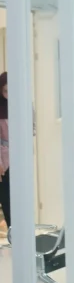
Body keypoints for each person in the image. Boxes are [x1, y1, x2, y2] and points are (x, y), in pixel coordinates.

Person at [0, 73, 9, 233]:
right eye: (5, 91)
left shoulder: (23, 105)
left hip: (19, 159)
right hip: (3, 160)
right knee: (6, 198)